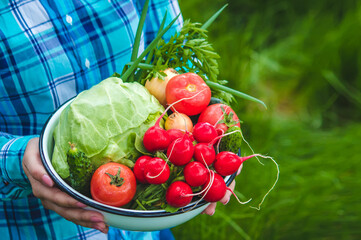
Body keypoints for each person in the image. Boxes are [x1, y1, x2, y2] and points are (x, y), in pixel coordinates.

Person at [0, 0, 235, 239]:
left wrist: (216, 140)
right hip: (40, 227)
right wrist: (15, 158)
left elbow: (178, 63)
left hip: (149, 222)